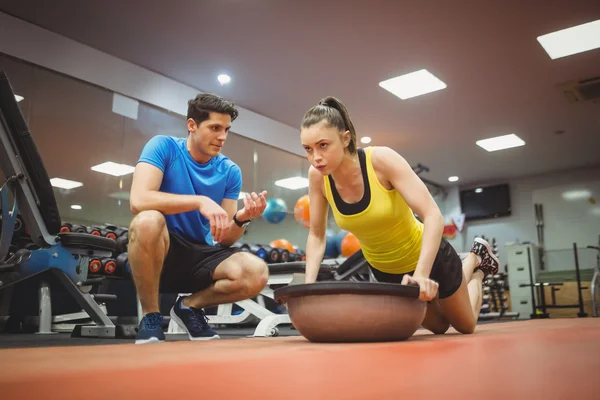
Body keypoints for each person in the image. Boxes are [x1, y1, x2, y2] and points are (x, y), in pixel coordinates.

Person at [300, 96, 499, 335]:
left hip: (430, 258)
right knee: (439, 327)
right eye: (308, 149)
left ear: (345, 139)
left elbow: (432, 215)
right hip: (388, 271)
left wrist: (421, 275)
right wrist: (308, 289)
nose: (316, 157)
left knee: (465, 326)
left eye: (323, 145)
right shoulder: (317, 177)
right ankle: (466, 268)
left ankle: (475, 264)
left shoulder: (381, 161)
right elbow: (317, 235)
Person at [129, 93, 269, 344]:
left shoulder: (229, 171)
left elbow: (223, 238)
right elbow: (138, 200)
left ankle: (189, 306)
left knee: (255, 271)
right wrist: (199, 201)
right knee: (147, 220)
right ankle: (151, 316)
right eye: (215, 128)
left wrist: (241, 218)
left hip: (201, 254)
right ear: (192, 125)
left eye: (226, 129)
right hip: (163, 247)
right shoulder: (163, 147)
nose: (222, 137)